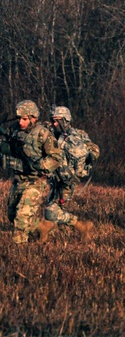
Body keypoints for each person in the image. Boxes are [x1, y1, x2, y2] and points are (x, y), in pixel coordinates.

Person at [1, 100, 61, 244]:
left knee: (21, 219)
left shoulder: (43, 134)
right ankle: (42, 228)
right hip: (19, 179)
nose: (21, 122)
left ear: (33, 118)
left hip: (36, 180)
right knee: (12, 214)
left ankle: (19, 251)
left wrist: (40, 165)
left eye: (25, 119)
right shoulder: (15, 131)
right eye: (19, 118)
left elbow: (56, 158)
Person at [44, 106, 100, 238]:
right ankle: (46, 234)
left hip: (68, 179)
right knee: (53, 207)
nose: (54, 124)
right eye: (53, 121)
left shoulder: (78, 135)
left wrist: (90, 155)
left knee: (51, 211)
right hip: (54, 178)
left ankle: (81, 226)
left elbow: (94, 149)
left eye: (57, 121)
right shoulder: (50, 133)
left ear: (66, 120)